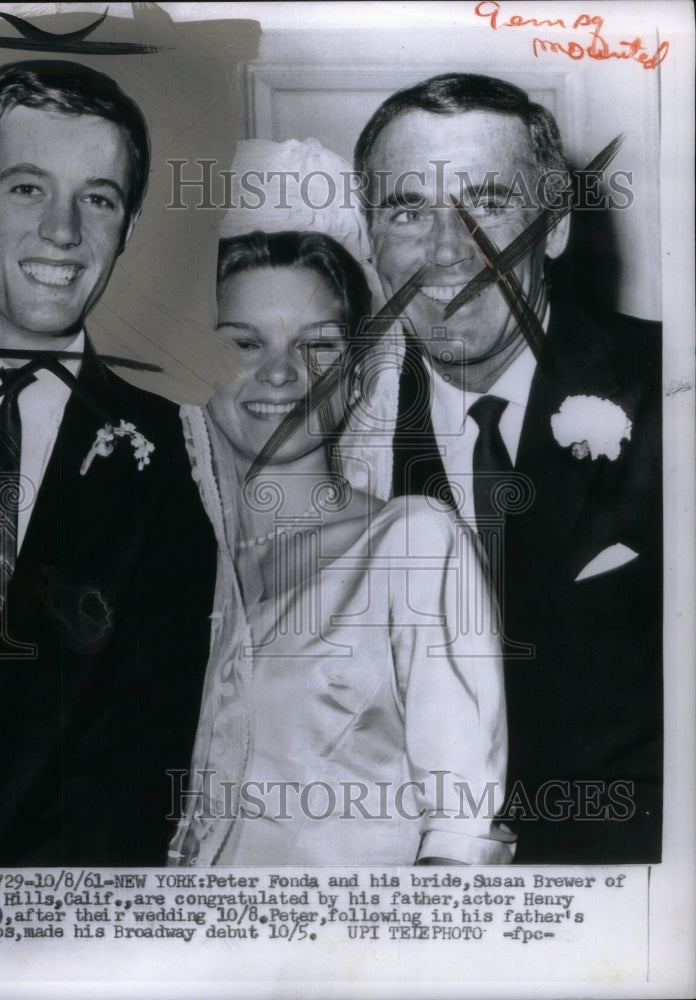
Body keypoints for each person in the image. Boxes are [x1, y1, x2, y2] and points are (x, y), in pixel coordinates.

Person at [0, 60, 216, 866]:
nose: (65, 232)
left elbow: (160, 758)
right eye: (27, 189)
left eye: (99, 199)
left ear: (127, 224)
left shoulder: (187, 458)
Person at [349, 72, 662, 862]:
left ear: (553, 227)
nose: (448, 252)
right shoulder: (330, 437)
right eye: (409, 210)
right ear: (368, 236)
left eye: (486, 202)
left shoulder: (673, 391)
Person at [169, 230, 515, 866]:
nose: (281, 372)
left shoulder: (412, 543)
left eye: (318, 346)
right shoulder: (169, 564)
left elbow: (462, 831)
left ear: (357, 377)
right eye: (244, 343)